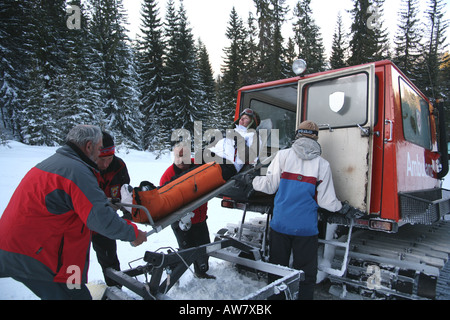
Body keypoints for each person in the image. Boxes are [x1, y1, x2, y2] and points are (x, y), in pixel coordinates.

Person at [0, 124, 147, 300]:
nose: (103, 157)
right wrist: (133, 233)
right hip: (36, 252)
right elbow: (101, 219)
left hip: (44, 249)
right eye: (100, 149)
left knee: (76, 288)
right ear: (89, 147)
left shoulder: (58, 163)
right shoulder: (76, 171)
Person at [250, 120, 343, 300]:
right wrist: (341, 207)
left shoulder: (283, 156)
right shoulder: (322, 165)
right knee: (306, 274)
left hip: (281, 225)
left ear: (298, 134)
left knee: (277, 270)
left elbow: (269, 186)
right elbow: (326, 202)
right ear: (316, 137)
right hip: (306, 229)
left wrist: (252, 181)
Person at [160, 142, 215, 279]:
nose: (181, 160)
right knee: (186, 251)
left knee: (204, 248)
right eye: (178, 157)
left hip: (200, 218)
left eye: (184, 156)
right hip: (181, 222)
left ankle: (201, 272)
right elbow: (164, 202)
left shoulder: (197, 166)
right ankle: (171, 270)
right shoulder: (167, 176)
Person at [92, 131, 130, 287]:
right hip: (81, 223)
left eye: (109, 158)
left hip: (106, 222)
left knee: (109, 259)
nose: (106, 164)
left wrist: (127, 214)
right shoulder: (84, 169)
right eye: (102, 159)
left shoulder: (118, 166)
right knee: (75, 262)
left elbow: (126, 192)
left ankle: (116, 290)